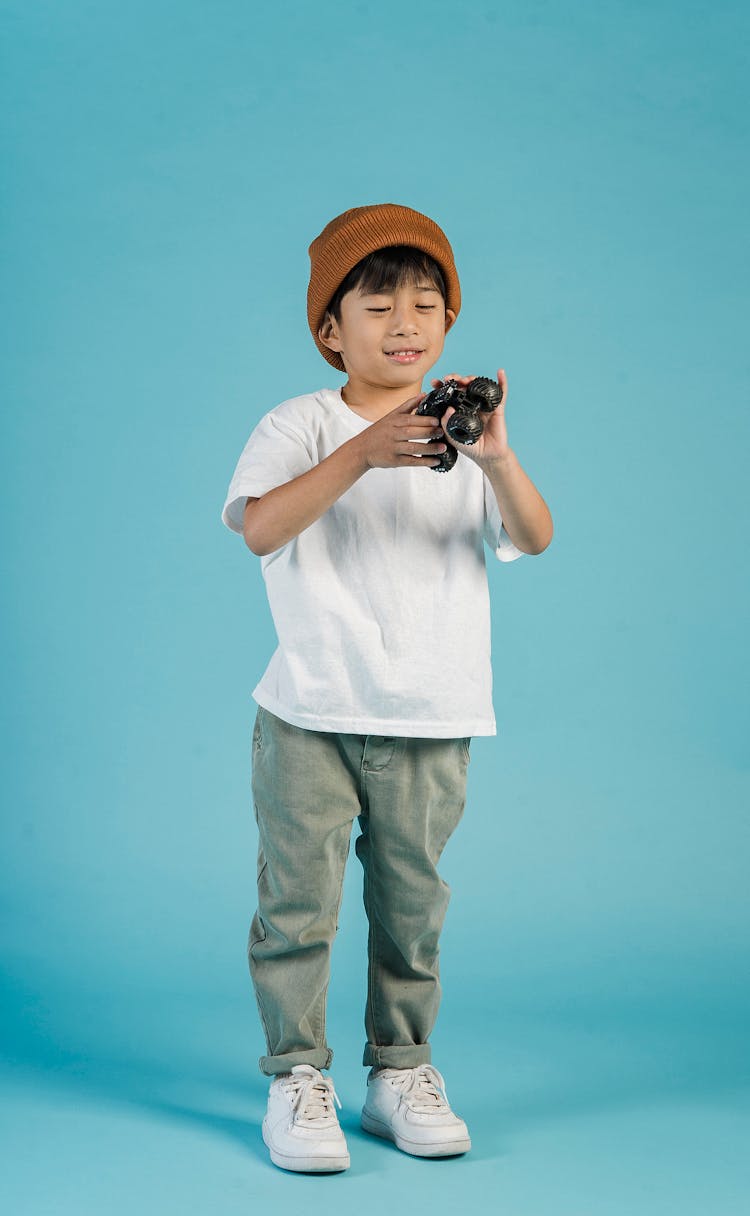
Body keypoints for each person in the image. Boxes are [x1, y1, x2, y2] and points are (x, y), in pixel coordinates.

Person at [220, 203, 553, 1173]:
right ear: (330, 329)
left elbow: (532, 535)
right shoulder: (301, 424)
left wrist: (496, 455)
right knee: (299, 904)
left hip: (430, 714)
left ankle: (398, 1069)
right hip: (309, 712)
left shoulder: (461, 434)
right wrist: (361, 452)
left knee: (413, 905)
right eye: (378, 305)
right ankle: (295, 1074)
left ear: (448, 323)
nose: (406, 322)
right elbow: (260, 527)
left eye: (426, 302)